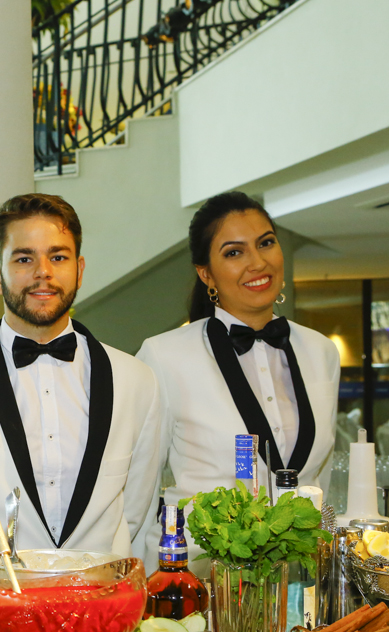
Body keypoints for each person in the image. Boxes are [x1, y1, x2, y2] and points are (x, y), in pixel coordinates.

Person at [0, 193, 161, 610]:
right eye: (23, 259)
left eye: (58, 257)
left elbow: (135, 511)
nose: (43, 273)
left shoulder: (136, 380)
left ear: (79, 269)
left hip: (96, 618)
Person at [135, 191, 340, 571]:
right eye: (234, 252)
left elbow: (319, 479)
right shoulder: (164, 356)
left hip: (298, 580)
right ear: (206, 274)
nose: (257, 262)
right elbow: (139, 491)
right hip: (201, 574)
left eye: (266, 243)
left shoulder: (321, 352)